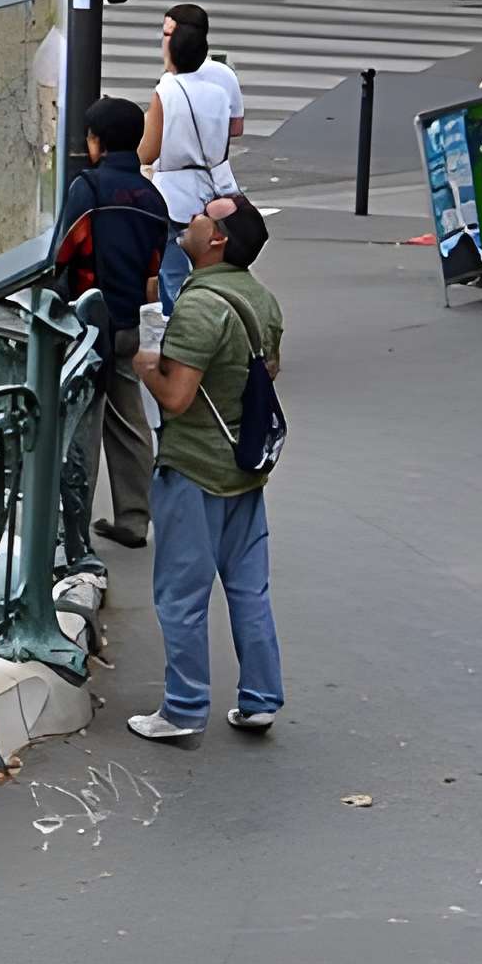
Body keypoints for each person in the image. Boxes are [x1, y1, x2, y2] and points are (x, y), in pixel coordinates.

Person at [128, 193, 285, 744]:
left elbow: (176, 397)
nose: (192, 217)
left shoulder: (201, 306)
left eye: (203, 214)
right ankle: (261, 699)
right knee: (249, 588)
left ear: (216, 239)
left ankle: (184, 707)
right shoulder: (260, 300)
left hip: (195, 468)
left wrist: (147, 366)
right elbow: (268, 373)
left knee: (181, 594)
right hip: (245, 466)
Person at [54, 94, 172, 550]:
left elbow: (64, 252)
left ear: (96, 142)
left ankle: (74, 528)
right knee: (130, 422)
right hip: (129, 327)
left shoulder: (89, 188)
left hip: (87, 326)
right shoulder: (151, 198)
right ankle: (134, 518)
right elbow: (153, 270)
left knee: (80, 426)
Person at [141, 3, 244, 307]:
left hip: (174, 194)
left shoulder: (167, 89)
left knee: (173, 275)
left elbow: (148, 150)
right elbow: (229, 135)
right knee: (210, 271)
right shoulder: (219, 91)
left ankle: (182, 335)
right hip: (211, 188)